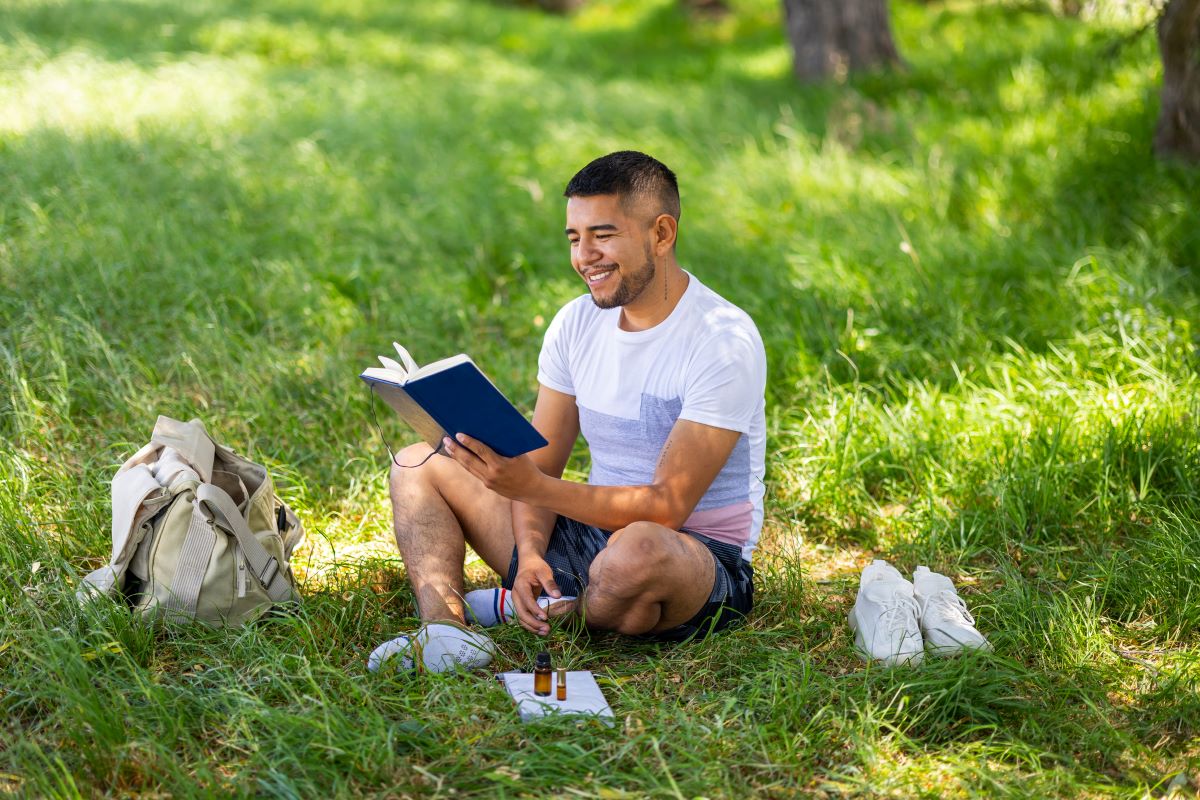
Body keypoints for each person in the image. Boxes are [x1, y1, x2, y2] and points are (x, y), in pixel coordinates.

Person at [368, 151, 767, 673]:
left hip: (691, 554)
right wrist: (531, 553)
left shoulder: (722, 339)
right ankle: (445, 631)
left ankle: (543, 610)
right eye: (574, 238)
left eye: (603, 235)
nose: (585, 256)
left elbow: (666, 507)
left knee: (641, 548)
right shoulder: (575, 324)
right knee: (415, 465)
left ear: (662, 234)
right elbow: (541, 463)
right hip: (590, 531)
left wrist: (529, 488)